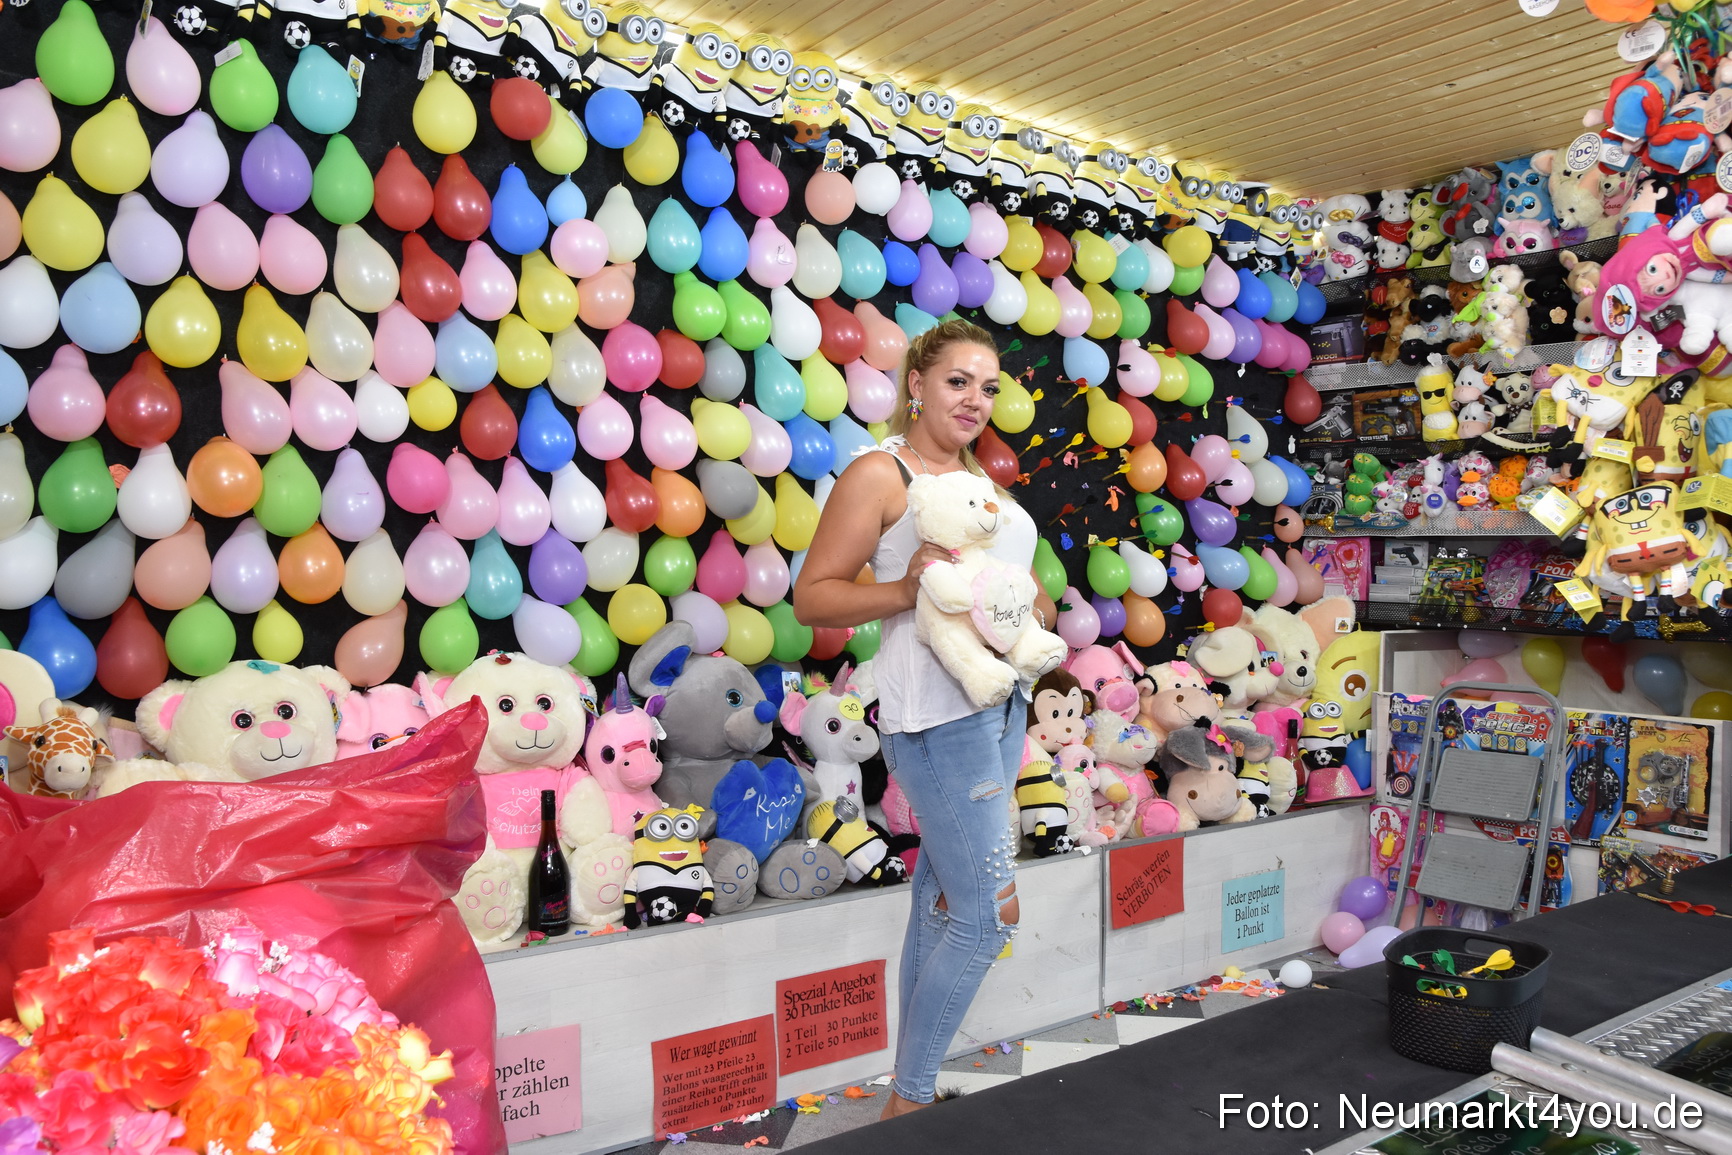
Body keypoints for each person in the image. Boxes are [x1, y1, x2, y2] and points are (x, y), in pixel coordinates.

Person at [792, 319, 1056, 1119]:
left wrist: (1030, 602)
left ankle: (905, 1094)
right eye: (957, 381)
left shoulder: (982, 481)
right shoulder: (883, 471)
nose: (976, 398)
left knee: (939, 901)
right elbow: (813, 597)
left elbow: (1010, 585)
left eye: (989, 385)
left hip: (1000, 705)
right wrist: (907, 590)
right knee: (987, 915)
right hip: (936, 720)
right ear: (916, 383)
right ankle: (907, 1103)